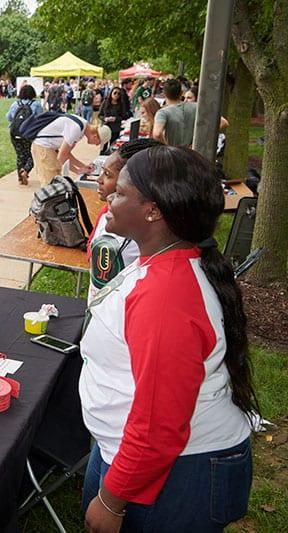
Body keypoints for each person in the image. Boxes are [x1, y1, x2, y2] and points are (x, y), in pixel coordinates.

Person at [81, 145, 257, 532]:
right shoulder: (164, 263)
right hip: (146, 458)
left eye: (121, 191)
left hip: (177, 473)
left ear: (153, 210)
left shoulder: (166, 296)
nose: (109, 194)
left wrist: (111, 501)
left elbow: (159, 425)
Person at [86, 138, 162, 301]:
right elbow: (93, 251)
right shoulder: (106, 212)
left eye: (107, 175)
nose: (99, 180)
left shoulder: (152, 234)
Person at [30, 114, 111, 185]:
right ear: (95, 136)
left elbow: (67, 154)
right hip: (43, 147)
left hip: (50, 148)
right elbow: (61, 157)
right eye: (98, 143)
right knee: (50, 183)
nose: (96, 145)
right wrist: (77, 171)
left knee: (57, 178)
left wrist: (84, 166)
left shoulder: (82, 126)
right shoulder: (76, 129)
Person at [6, 84, 43, 185]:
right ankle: (26, 170)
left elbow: (8, 117)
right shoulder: (36, 105)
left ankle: (20, 177)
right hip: (29, 133)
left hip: (15, 133)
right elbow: (40, 119)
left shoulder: (15, 104)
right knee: (31, 154)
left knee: (20, 155)